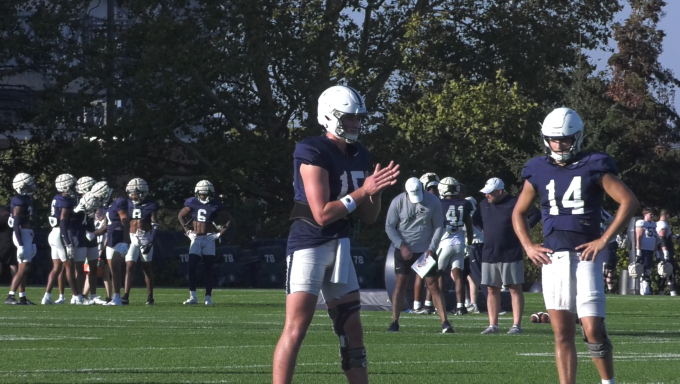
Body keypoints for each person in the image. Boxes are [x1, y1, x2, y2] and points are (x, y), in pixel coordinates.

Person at [272, 85, 399, 384]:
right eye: (349, 117)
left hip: (340, 245)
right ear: (329, 116)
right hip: (309, 244)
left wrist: (375, 193)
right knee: (297, 326)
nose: (355, 123)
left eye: (358, 118)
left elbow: (368, 217)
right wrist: (363, 190)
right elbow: (322, 214)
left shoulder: (358, 153)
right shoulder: (311, 150)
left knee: (351, 326)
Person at [513, 107, 638, 384]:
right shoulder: (537, 168)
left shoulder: (595, 164)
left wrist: (604, 239)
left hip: (585, 257)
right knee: (562, 332)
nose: (559, 145)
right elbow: (518, 212)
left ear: (577, 138)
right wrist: (528, 246)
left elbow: (628, 201)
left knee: (592, 328)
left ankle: (609, 382)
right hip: (553, 258)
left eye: (565, 139)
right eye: (554, 140)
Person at [385, 177, 453, 333]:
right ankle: (394, 322)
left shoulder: (433, 201)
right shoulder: (398, 202)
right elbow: (389, 227)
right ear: (406, 192)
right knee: (400, 284)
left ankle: (445, 323)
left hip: (425, 251)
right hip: (404, 250)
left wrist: (432, 249)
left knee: (433, 285)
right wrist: (401, 245)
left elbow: (438, 226)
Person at [474, 177, 540, 334]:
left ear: (499, 191)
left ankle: (516, 325)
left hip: (511, 251)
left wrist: (522, 230)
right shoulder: (484, 205)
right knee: (491, 289)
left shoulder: (515, 202)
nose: (487, 196)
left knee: (514, 288)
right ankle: (493, 325)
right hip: (489, 252)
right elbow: (475, 220)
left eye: (490, 193)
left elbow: (535, 214)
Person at [177, 180, 233, 306]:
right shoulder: (192, 202)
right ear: (198, 193)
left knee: (209, 268)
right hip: (195, 239)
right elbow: (180, 215)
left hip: (208, 239)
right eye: (202, 194)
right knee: (191, 267)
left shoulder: (215, 205)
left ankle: (208, 298)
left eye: (206, 194)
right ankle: (193, 296)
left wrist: (219, 234)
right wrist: (187, 231)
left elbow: (229, 220)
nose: (204, 196)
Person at [41, 174, 84, 305]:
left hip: (53, 233)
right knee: (69, 266)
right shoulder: (66, 201)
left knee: (57, 267)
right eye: (71, 185)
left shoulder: (57, 198)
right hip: (61, 233)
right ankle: (77, 296)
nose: (73, 188)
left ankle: (47, 296)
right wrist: (68, 242)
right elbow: (64, 221)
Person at [436, 177, 473, 315]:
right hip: (459, 242)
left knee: (436, 276)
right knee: (458, 276)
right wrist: (468, 245)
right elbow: (469, 226)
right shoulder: (466, 203)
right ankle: (460, 307)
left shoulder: (438, 203)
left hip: (444, 242)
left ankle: (435, 305)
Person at [122, 178, 159, 305]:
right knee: (129, 266)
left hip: (145, 237)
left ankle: (150, 296)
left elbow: (155, 224)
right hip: (132, 238)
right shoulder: (126, 204)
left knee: (146, 268)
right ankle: (126, 295)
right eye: (131, 193)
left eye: (135, 193)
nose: (133, 196)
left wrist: (151, 240)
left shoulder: (151, 204)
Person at [4, 173, 36, 305]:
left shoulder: (25, 199)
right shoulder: (20, 200)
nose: (32, 186)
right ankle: (10, 296)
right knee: (23, 267)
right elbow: (16, 223)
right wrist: (21, 244)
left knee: (24, 267)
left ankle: (22, 297)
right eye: (28, 184)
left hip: (26, 233)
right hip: (21, 234)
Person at [96, 183, 130, 306]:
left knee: (115, 265)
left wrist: (126, 242)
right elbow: (106, 226)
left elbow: (125, 222)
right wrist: (92, 234)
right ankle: (116, 298)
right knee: (113, 270)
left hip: (121, 238)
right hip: (110, 240)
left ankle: (117, 297)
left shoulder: (119, 202)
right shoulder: (108, 207)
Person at [412, 172, 440, 314]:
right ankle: (429, 304)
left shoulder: (425, 201)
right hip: (439, 239)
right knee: (433, 275)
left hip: (426, 239)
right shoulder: (438, 200)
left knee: (421, 273)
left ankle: (417, 305)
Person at [634, 208, 658, 295]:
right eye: (650, 214)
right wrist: (638, 250)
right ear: (645, 214)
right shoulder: (642, 223)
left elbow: (655, 238)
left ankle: (646, 289)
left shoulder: (654, 224)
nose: (652, 216)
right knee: (643, 270)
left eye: (652, 214)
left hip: (650, 249)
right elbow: (639, 237)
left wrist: (656, 251)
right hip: (644, 249)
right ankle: (644, 290)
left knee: (648, 269)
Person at [656, 209, 677, 296]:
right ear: (667, 215)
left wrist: (675, 237)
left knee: (663, 271)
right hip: (664, 251)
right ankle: (672, 292)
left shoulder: (657, 223)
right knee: (669, 270)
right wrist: (665, 251)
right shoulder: (663, 224)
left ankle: (661, 292)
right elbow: (662, 237)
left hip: (659, 250)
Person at [599, 209, 619, 294]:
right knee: (604, 267)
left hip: (608, 243)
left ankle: (609, 289)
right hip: (599, 243)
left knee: (610, 268)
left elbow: (613, 222)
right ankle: (601, 287)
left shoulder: (600, 212)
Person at [0, 206, 18, 288]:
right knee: (12, 263)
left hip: (5, 242)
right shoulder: (9, 216)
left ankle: (16, 282)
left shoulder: (4, 217)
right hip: (12, 241)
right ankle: (17, 283)